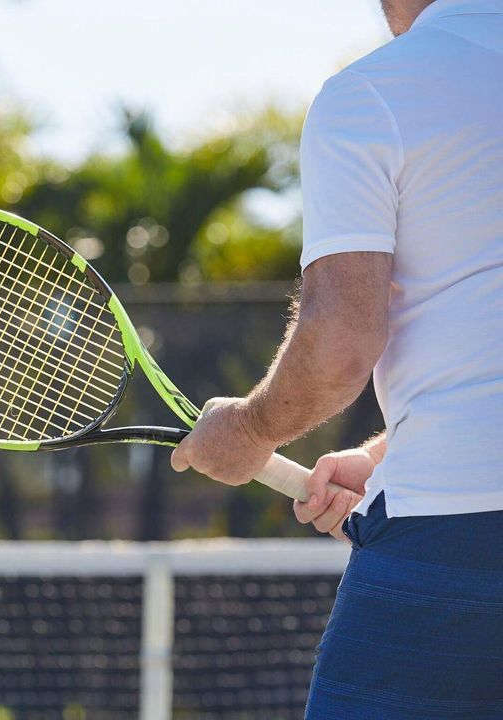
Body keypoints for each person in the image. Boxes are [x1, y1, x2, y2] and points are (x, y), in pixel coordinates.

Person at [168, 0, 503, 716]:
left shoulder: (373, 95)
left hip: (453, 541)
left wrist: (250, 431)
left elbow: (344, 340)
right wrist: (388, 454)